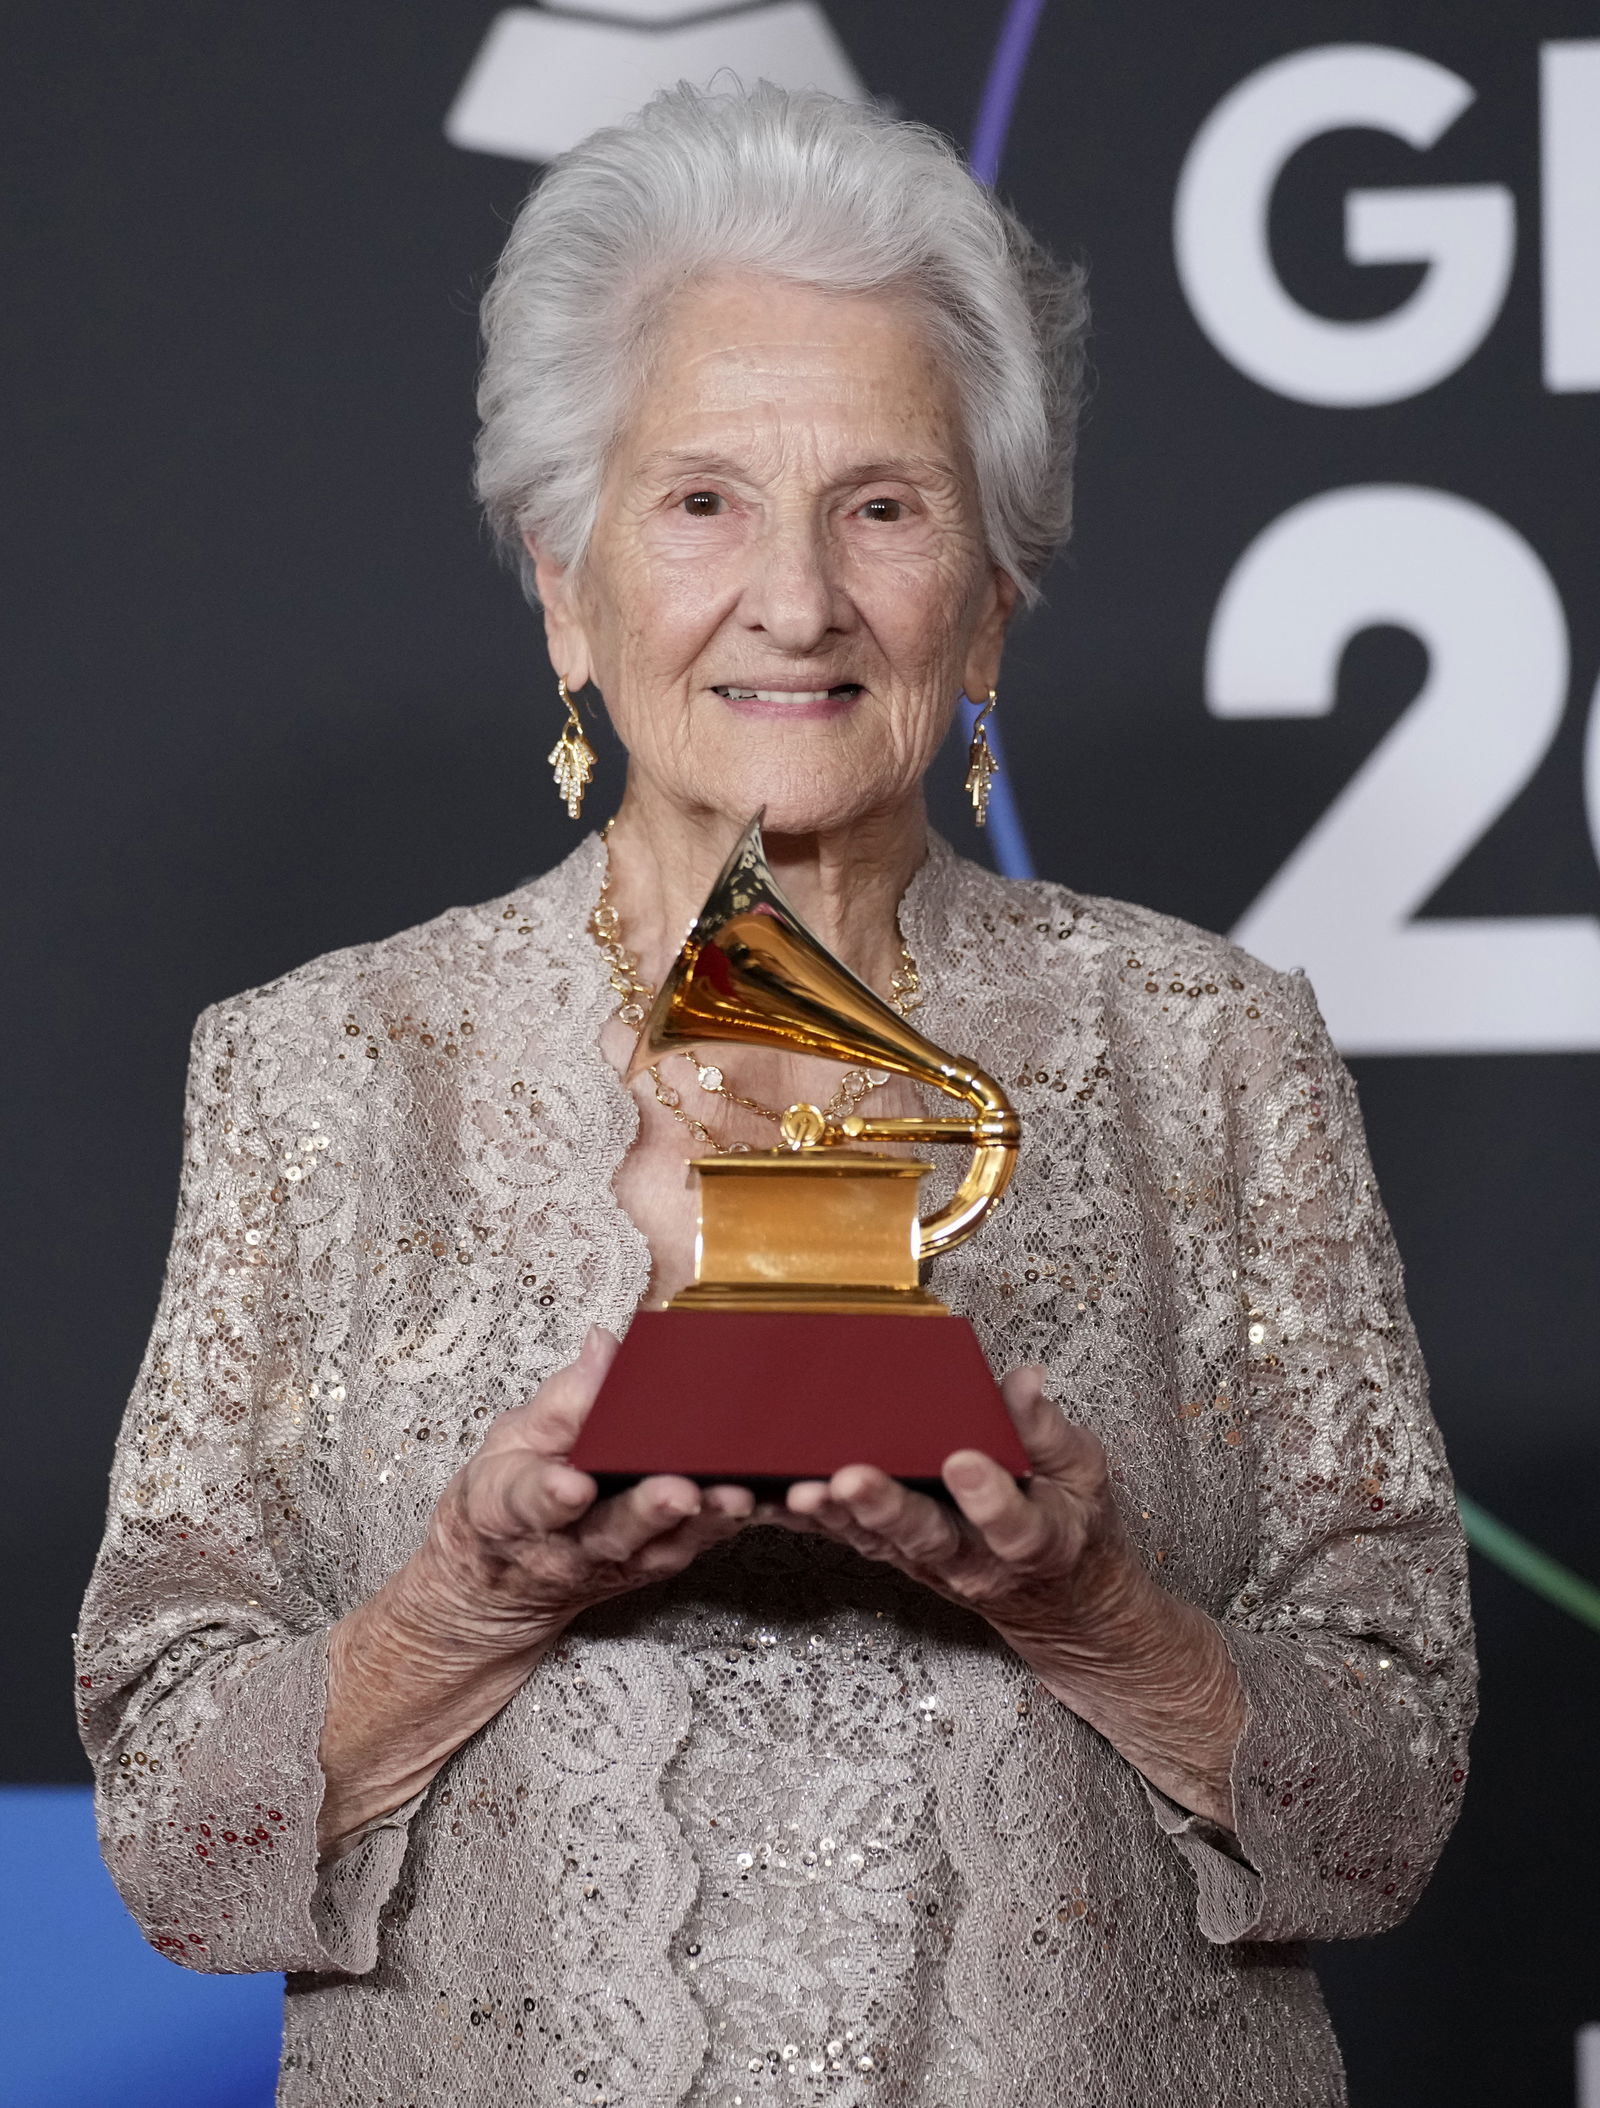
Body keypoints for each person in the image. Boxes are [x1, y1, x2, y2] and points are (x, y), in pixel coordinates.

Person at [76, 82, 1474, 2107]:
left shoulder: (1214, 1052)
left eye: (884, 505)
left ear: (988, 600)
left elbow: (1391, 1812)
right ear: (564, 585)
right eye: (703, 499)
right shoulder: (318, 1070)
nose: (796, 598)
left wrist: (1097, 1613)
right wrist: (467, 1600)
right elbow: (168, 1856)